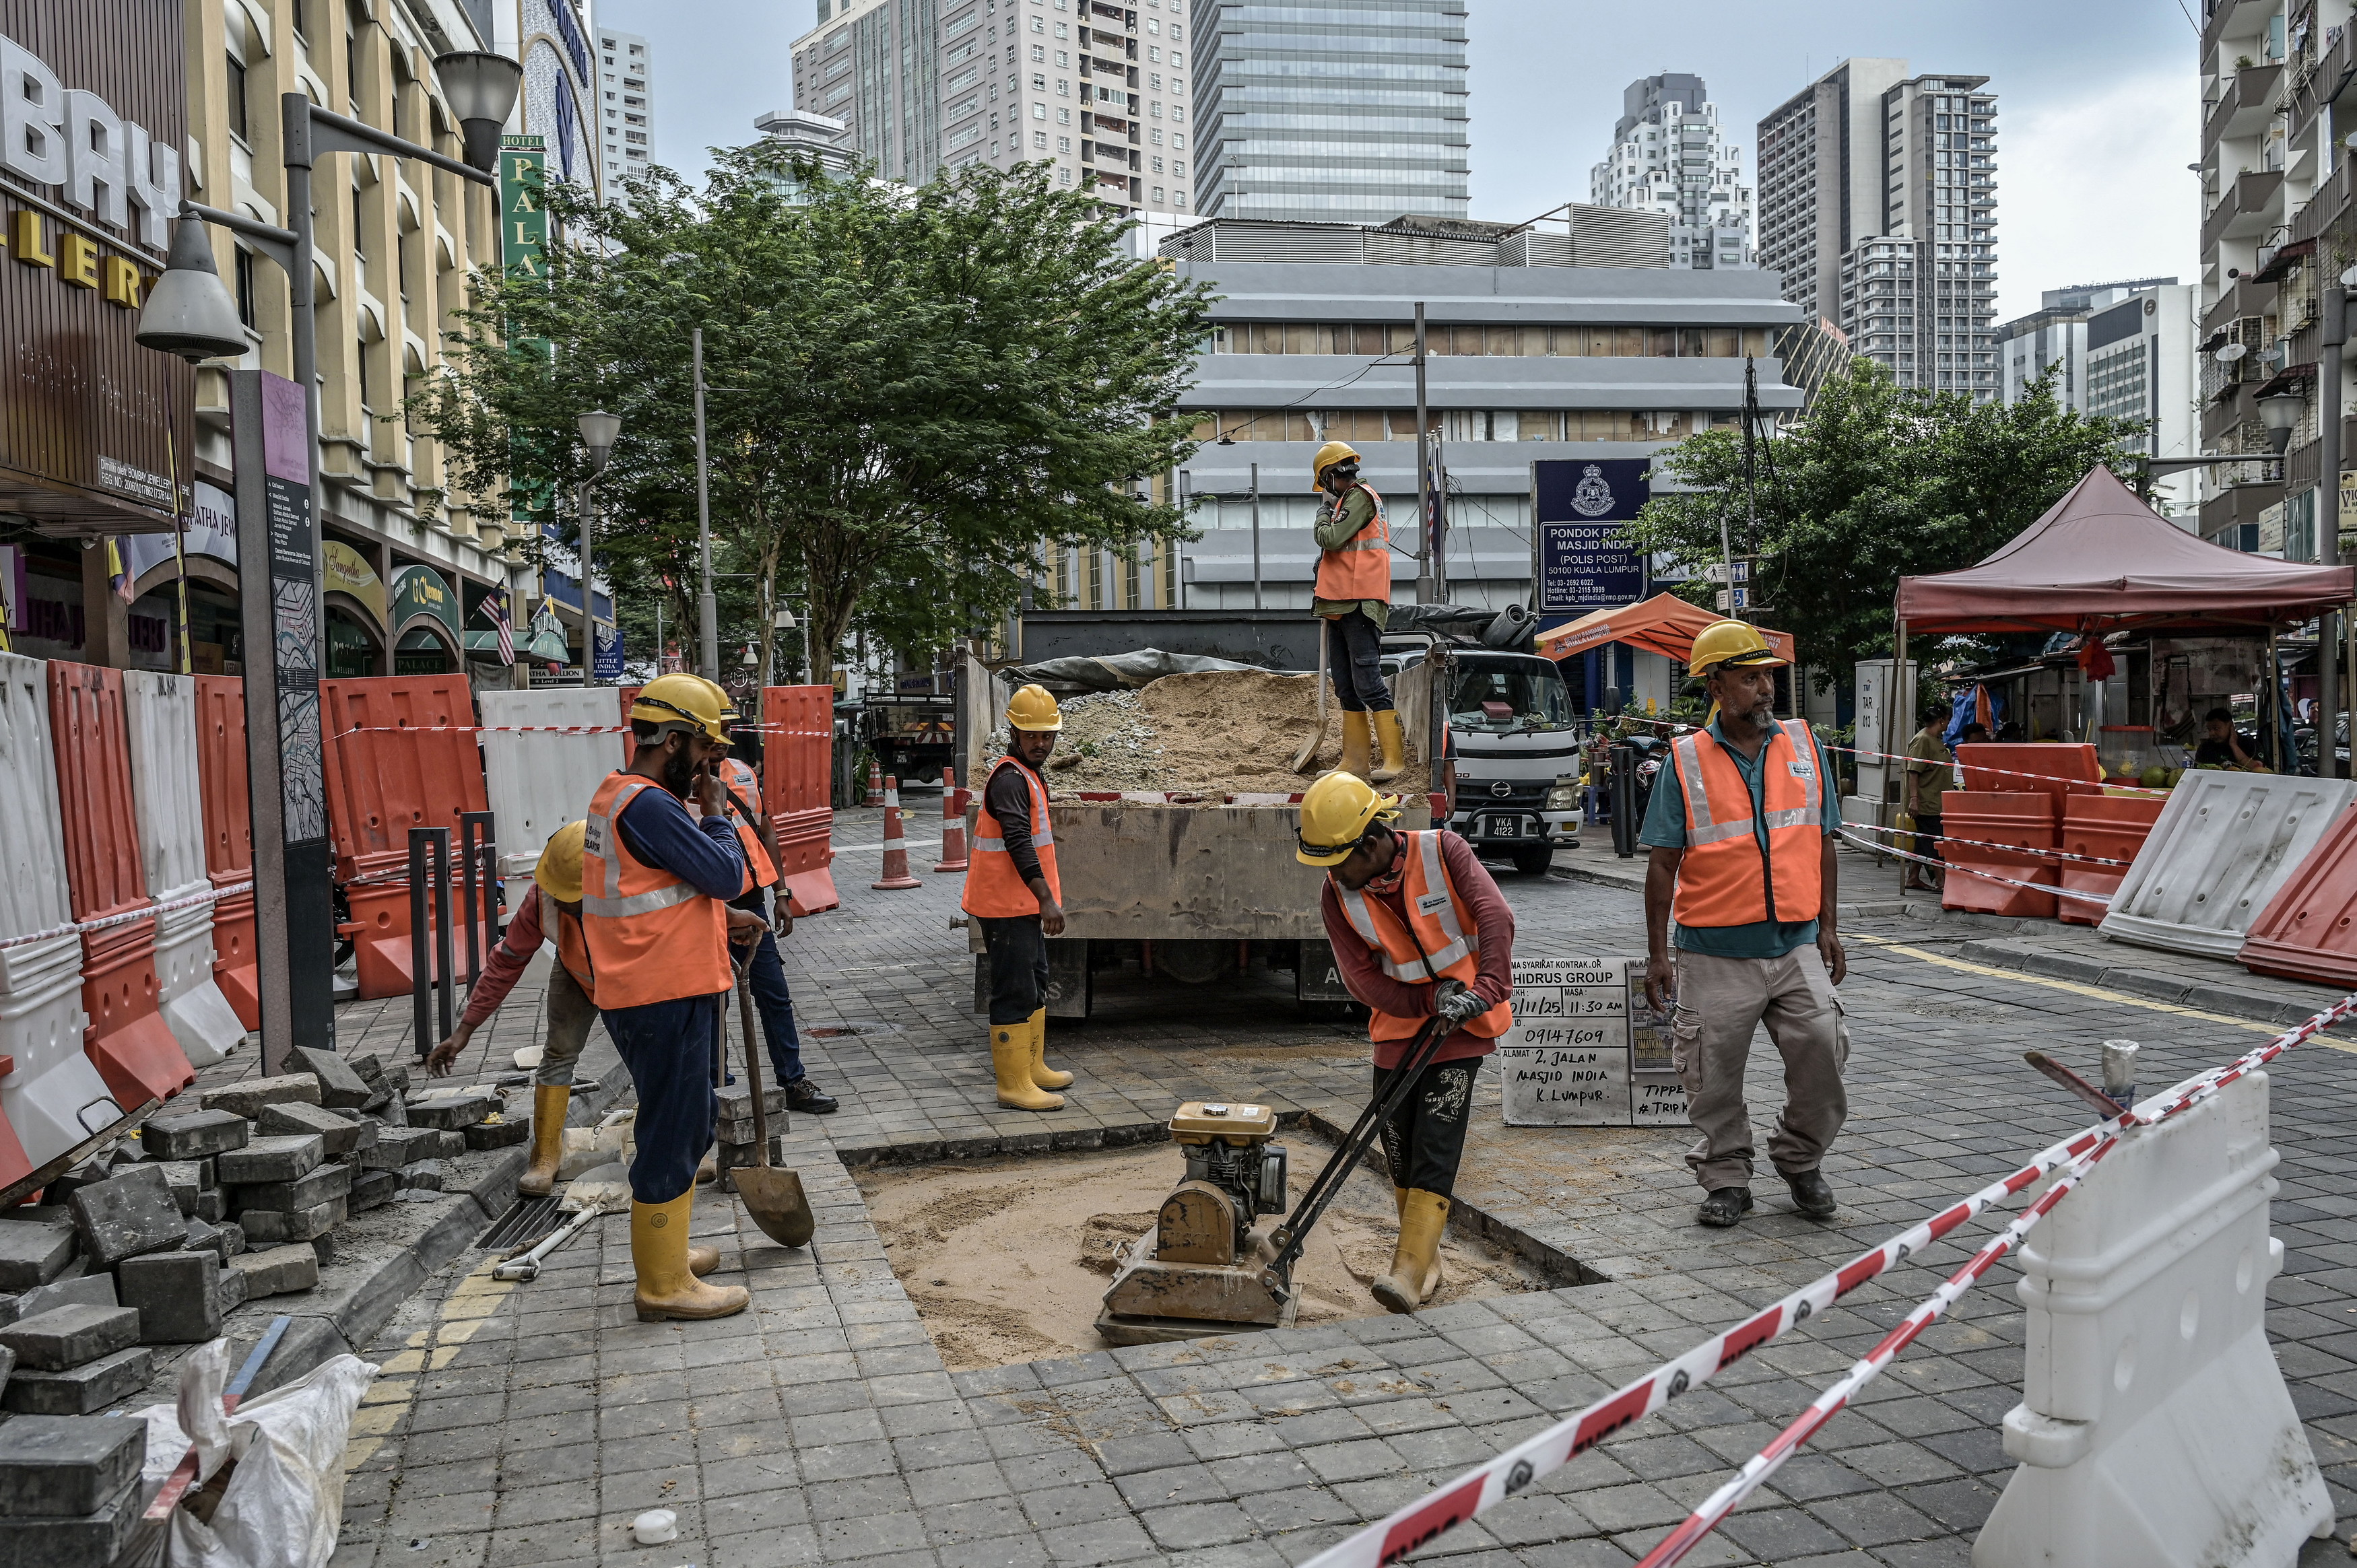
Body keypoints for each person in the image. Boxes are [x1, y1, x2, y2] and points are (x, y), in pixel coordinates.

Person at [1640, 620, 1848, 1229]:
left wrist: (1829, 927)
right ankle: (1727, 1176)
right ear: (1715, 683)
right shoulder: (1685, 761)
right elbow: (1661, 865)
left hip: (1796, 943)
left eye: (1768, 677)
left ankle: (1800, 1159)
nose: (1765, 688)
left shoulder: (1805, 746)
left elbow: (1823, 842)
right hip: (1712, 952)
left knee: (1825, 1053)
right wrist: (1659, 956)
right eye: (1750, 677)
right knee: (1710, 1076)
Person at [1298, 771, 1513, 1314]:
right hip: (1399, 1027)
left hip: (1462, 1026)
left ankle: (1409, 1268)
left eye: (1338, 860)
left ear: (1372, 843)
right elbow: (1360, 978)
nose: (1332, 873)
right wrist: (1423, 1002)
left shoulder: (1445, 851)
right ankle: (1428, 1258)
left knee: (1436, 1141)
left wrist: (1484, 990)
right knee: (1399, 1145)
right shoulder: (1337, 894)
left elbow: (1496, 916)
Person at [582, 674, 756, 1323]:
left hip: (651, 982)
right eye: (707, 754)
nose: (712, 768)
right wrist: (715, 813)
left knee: (683, 1121)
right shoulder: (650, 804)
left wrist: (721, 918)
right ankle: (660, 1283)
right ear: (674, 741)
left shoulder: (619, 796)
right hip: (660, 989)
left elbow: (665, 893)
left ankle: (670, 1256)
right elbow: (722, 871)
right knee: (673, 1128)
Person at [425, 823, 607, 1196]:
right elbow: (506, 963)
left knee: (651, 1055)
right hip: (576, 971)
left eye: (573, 895)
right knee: (558, 1053)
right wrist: (465, 1031)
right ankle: (544, 1156)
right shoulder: (542, 899)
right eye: (559, 892)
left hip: (638, 979)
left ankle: (681, 1145)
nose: (563, 900)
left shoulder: (633, 892)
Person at [961, 683, 1077, 1112]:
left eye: (1047, 735)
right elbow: (1018, 841)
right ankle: (1013, 1085)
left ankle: (1033, 1068)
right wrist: (1046, 898)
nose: (1041, 743)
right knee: (1013, 991)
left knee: (1035, 983)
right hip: (1005, 906)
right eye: (1033, 735)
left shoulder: (1028, 774)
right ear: (1015, 731)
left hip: (1020, 904)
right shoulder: (1010, 779)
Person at [710, 734, 838, 1114]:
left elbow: (764, 830)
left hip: (751, 903)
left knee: (774, 995)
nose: (720, 744)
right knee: (714, 1001)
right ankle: (716, 1088)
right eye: (710, 737)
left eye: (724, 735)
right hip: (704, 907)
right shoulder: (674, 784)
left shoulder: (743, 774)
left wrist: (781, 893)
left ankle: (792, 1080)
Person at [1310, 440, 1405, 783]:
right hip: (1340, 604)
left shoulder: (1360, 497)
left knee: (1368, 684)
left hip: (1361, 602)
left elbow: (1331, 539)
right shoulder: (1346, 503)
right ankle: (1355, 762)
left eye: (1325, 483)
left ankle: (1394, 759)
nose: (1325, 491)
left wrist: (1322, 514)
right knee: (1347, 688)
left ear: (1334, 474)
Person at [1902, 708, 1954, 892]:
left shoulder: (1936, 740)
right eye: (1948, 720)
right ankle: (1941, 881)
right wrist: (1914, 799)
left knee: (1923, 841)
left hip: (1938, 800)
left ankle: (1913, 877)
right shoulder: (1922, 740)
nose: (1949, 724)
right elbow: (1914, 771)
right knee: (1934, 841)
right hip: (1927, 802)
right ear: (1941, 720)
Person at [2194, 707, 2262, 770]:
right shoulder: (2205, 747)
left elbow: (2258, 769)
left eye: (2216, 728)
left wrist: (2234, 745)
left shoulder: (2249, 743)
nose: (2212, 733)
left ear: (2230, 726)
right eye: (2209, 730)